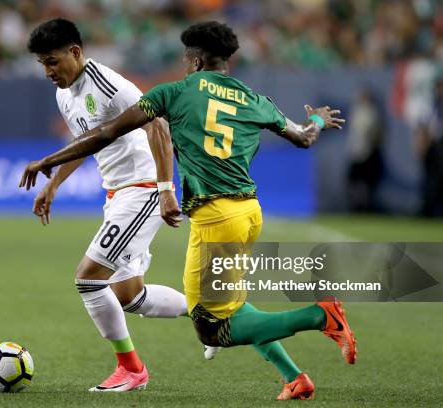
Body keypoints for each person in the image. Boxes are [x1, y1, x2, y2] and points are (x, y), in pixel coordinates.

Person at [20, 21, 357, 400]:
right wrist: (317, 120)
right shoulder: (251, 97)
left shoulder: (173, 91)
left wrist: (161, 189)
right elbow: (303, 136)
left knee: (205, 325)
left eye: (185, 57)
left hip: (196, 209)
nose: (183, 63)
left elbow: (122, 132)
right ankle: (294, 376)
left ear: (194, 60)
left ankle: (319, 315)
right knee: (151, 298)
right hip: (247, 211)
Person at [25, 19, 219, 393]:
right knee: (129, 296)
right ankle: (209, 315)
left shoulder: (110, 85)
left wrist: (165, 190)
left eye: (52, 62)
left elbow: (159, 127)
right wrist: (54, 184)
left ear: (75, 52)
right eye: (42, 65)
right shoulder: (65, 93)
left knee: (88, 277)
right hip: (116, 194)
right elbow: (87, 142)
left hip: (142, 190)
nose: (48, 72)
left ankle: (131, 370)